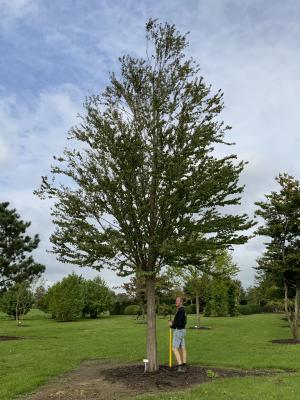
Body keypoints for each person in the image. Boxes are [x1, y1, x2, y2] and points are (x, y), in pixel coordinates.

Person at [168, 296, 187, 372]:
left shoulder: (180, 311)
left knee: (174, 348)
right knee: (182, 347)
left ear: (181, 302)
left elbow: (178, 323)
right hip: (183, 330)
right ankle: (184, 365)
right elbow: (181, 321)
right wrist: (173, 321)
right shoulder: (182, 310)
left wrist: (171, 325)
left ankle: (180, 366)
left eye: (178, 301)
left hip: (179, 331)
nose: (176, 302)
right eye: (176, 301)